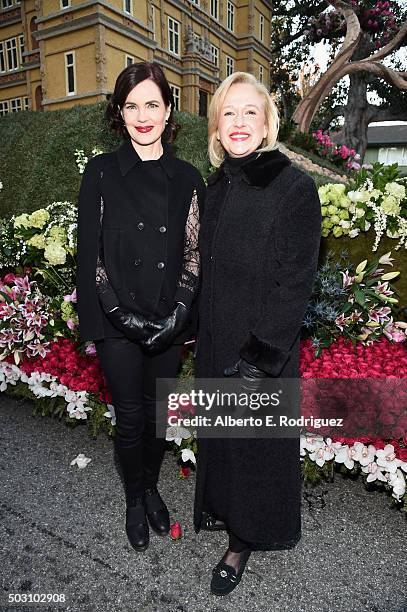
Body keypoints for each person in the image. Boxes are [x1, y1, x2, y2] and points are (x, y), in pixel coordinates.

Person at [193, 72, 322, 595]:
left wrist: (257, 358)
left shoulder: (293, 187)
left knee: (253, 450)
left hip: (259, 353)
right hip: (216, 341)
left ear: (267, 122)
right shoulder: (218, 185)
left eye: (250, 112)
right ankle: (226, 514)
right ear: (217, 128)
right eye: (229, 113)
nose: (239, 122)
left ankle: (241, 544)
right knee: (225, 443)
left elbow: (295, 284)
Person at [76, 62, 205, 552]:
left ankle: (150, 485)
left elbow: (194, 251)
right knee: (130, 418)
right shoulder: (102, 172)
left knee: (157, 417)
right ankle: (134, 497)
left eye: (152, 103)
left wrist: (176, 313)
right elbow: (90, 256)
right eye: (132, 105)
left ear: (169, 110)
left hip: (167, 318)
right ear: (120, 113)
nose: (142, 115)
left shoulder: (189, 177)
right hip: (117, 322)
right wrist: (121, 316)